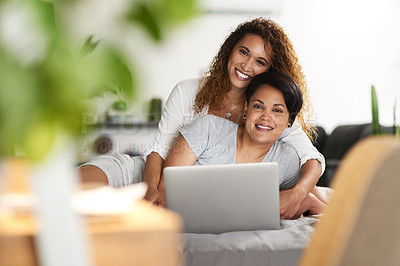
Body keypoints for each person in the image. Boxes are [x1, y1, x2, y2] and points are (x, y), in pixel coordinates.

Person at [79, 18, 325, 219]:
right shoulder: (188, 92)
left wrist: (298, 194)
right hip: (141, 176)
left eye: (260, 61)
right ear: (230, 51)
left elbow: (312, 159)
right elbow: (159, 149)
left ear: (269, 70)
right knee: (64, 196)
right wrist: (151, 191)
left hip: (188, 198)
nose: (247, 65)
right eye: (243, 52)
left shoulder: (266, 116)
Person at [158, 71, 326, 217]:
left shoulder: (288, 159)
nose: (265, 117)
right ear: (246, 109)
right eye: (259, 106)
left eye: (277, 110)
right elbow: (166, 188)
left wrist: (310, 203)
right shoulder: (207, 128)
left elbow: (315, 201)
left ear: (289, 121)